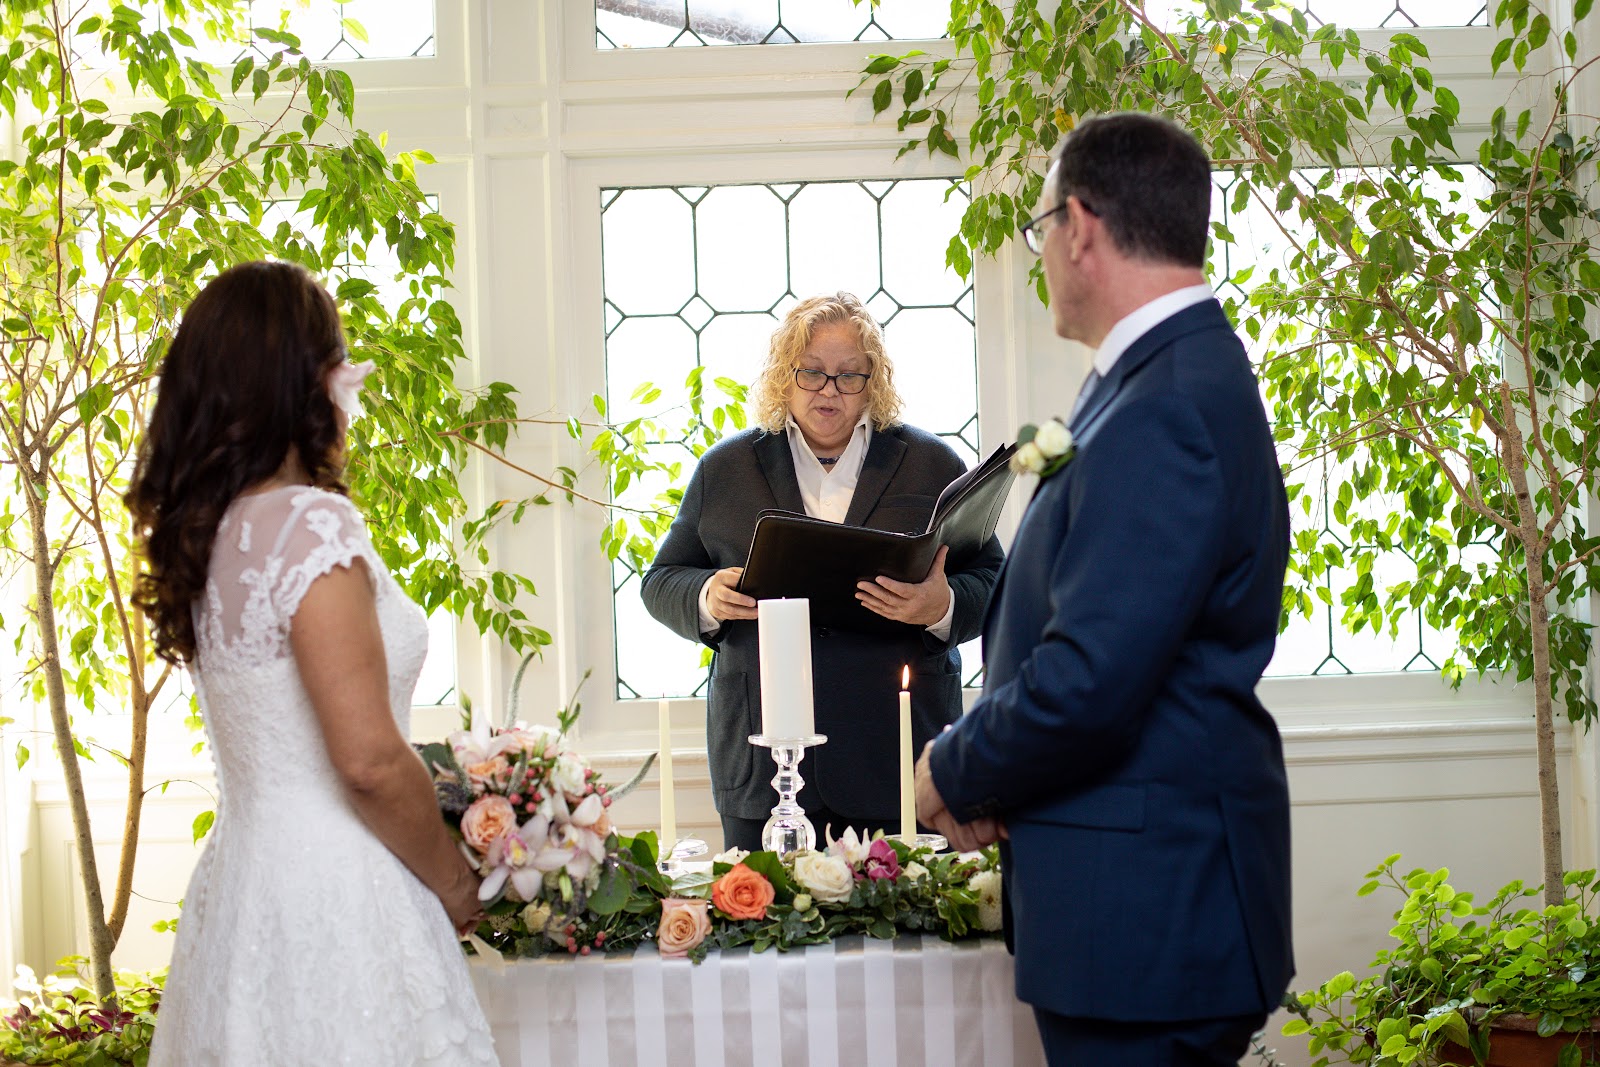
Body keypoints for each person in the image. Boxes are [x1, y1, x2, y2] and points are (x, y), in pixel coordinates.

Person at [915, 113, 1294, 1066]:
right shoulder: (1155, 379)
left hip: (1149, 912)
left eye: (1042, 225)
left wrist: (951, 768)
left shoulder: (1166, 404)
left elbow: (1091, 678)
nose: (1042, 251)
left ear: (1079, 226)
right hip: (1136, 899)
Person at [126, 261, 498, 1066]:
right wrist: (455, 882)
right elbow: (367, 761)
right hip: (341, 891)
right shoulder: (308, 525)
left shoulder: (214, 530)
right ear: (304, 380)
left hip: (244, 887)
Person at [642, 292, 1005, 853]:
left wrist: (943, 606)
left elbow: (993, 579)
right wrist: (706, 596)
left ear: (874, 381)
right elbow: (661, 581)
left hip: (898, 758)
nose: (828, 390)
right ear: (783, 375)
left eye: (848, 376)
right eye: (811, 372)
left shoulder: (931, 464)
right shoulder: (725, 467)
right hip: (764, 766)